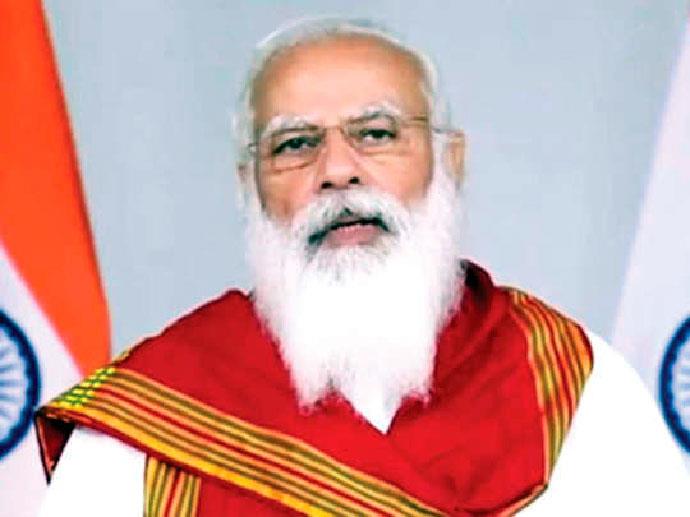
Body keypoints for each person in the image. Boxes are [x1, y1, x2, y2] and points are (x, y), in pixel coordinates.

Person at [36, 18, 688, 516]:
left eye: (376, 133)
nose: (338, 170)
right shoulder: (155, 415)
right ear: (248, 186)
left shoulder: (568, 380)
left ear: (450, 161)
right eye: (295, 144)